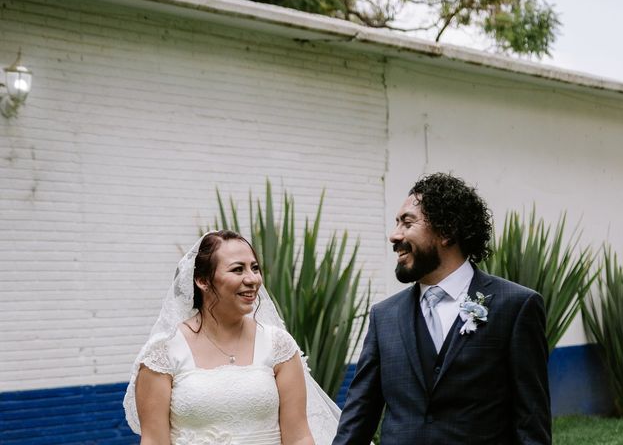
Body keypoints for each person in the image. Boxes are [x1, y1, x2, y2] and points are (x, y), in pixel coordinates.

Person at [333, 173, 551, 445]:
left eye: (407, 222)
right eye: (396, 223)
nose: (394, 235)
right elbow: (359, 415)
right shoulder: (384, 316)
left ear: (447, 231)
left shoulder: (516, 306)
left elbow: (531, 423)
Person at [123, 230, 340, 445]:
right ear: (202, 281)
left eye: (255, 268)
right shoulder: (163, 352)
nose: (253, 279)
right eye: (238, 269)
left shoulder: (279, 345)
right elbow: (154, 440)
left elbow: (299, 437)